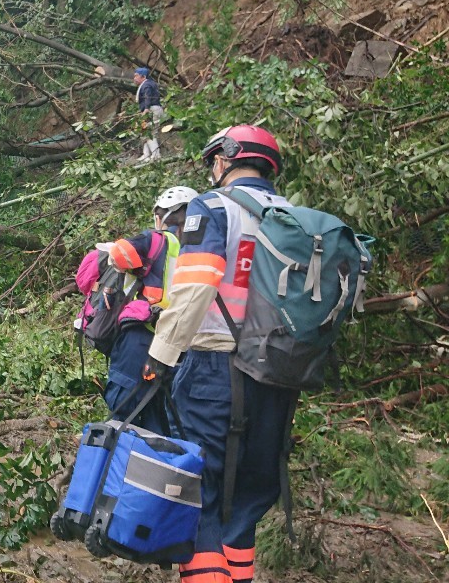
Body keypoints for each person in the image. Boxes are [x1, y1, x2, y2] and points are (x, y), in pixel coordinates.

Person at [142, 125, 292, 583]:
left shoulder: (212, 206)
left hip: (214, 369)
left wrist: (160, 356)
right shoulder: (294, 216)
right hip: (279, 374)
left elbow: (195, 288)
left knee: (198, 491)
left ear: (225, 160)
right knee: (247, 493)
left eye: (214, 161)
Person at [101, 185, 197, 433]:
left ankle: (116, 466)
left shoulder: (156, 239)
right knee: (162, 421)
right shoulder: (204, 250)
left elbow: (120, 254)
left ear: (162, 216)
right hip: (179, 347)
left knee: (123, 413)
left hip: (142, 337)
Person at [134, 67, 165, 161]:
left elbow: (148, 97)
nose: (134, 78)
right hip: (152, 109)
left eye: (136, 76)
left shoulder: (147, 85)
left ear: (143, 76)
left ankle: (156, 154)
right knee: (145, 132)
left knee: (150, 133)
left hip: (152, 110)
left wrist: (146, 110)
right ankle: (146, 154)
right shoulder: (149, 84)